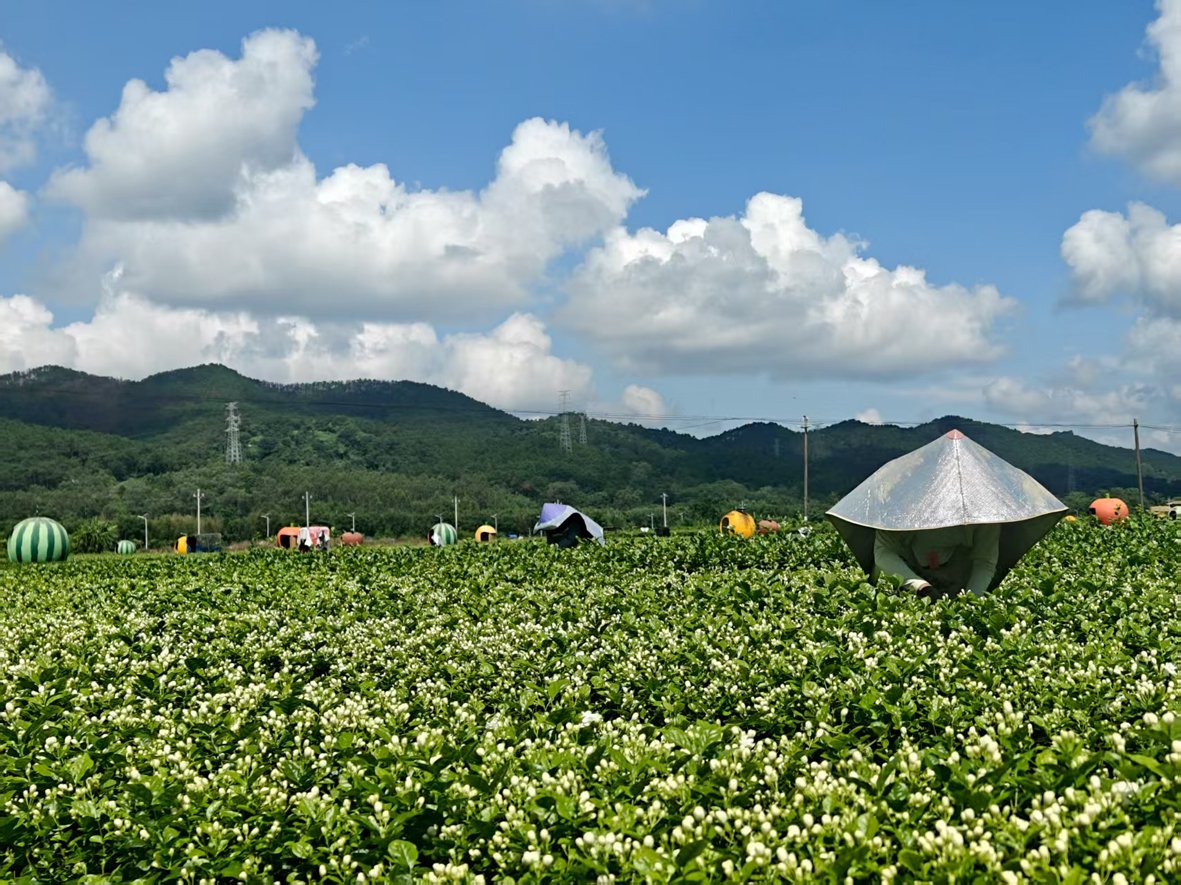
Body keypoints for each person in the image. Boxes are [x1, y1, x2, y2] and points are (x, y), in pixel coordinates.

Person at [873, 523, 1000, 598]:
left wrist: (969, 602)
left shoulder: (983, 510)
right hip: (911, 579)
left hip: (962, 578)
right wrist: (920, 587)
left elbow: (984, 562)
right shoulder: (897, 504)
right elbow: (884, 551)